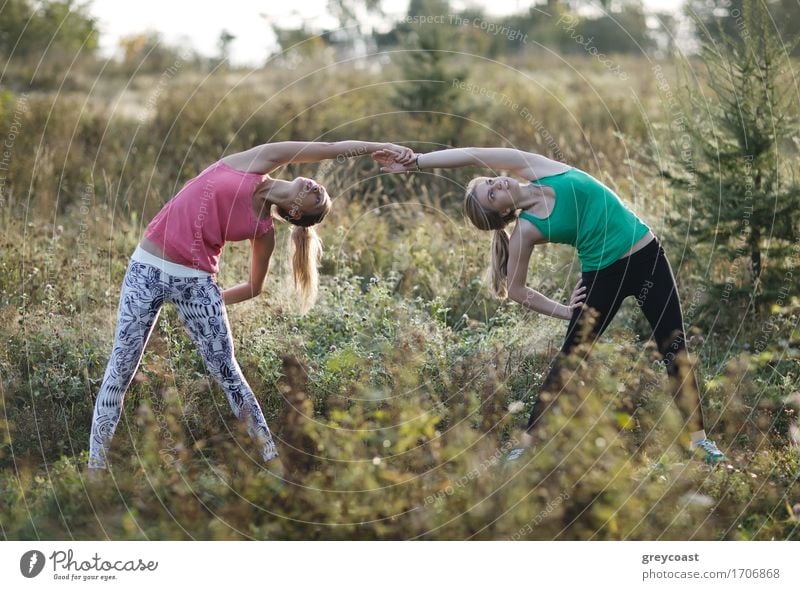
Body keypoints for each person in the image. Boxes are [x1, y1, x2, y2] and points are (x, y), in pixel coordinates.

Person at [373, 146, 726, 464]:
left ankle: (699, 442)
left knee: (674, 347)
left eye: (491, 182)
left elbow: (471, 154)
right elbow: (516, 290)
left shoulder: (536, 167)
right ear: (501, 211)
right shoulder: (526, 230)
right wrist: (567, 312)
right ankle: (527, 446)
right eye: (491, 194)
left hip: (648, 256)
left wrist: (416, 162)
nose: (497, 184)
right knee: (570, 361)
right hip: (602, 274)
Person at [88, 140, 415, 471]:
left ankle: (272, 462)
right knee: (121, 368)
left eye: (317, 197)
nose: (316, 186)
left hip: (197, 282)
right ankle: (95, 468)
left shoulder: (263, 230)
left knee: (228, 373)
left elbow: (254, 287)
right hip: (147, 265)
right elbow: (328, 147)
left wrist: (211, 301)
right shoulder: (257, 163)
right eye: (320, 188)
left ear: (297, 213)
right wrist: (379, 146)